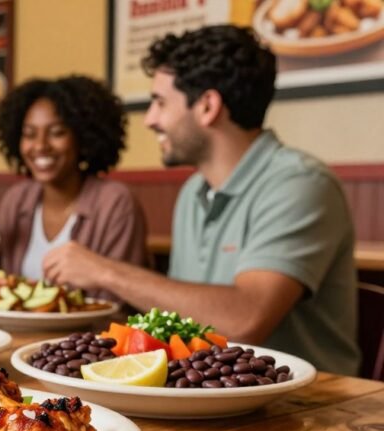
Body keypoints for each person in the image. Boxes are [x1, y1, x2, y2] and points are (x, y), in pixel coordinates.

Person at [42, 25, 359, 375]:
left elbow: (244, 320)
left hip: (311, 411)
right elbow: (184, 322)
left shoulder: (301, 184)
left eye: (160, 102)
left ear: (207, 106)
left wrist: (104, 270)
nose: (150, 119)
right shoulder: (194, 191)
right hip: (210, 399)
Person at [0, 75, 148, 301]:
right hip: (18, 335)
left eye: (57, 132)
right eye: (29, 134)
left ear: (82, 138)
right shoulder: (16, 199)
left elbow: (115, 306)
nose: (40, 146)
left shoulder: (115, 203)